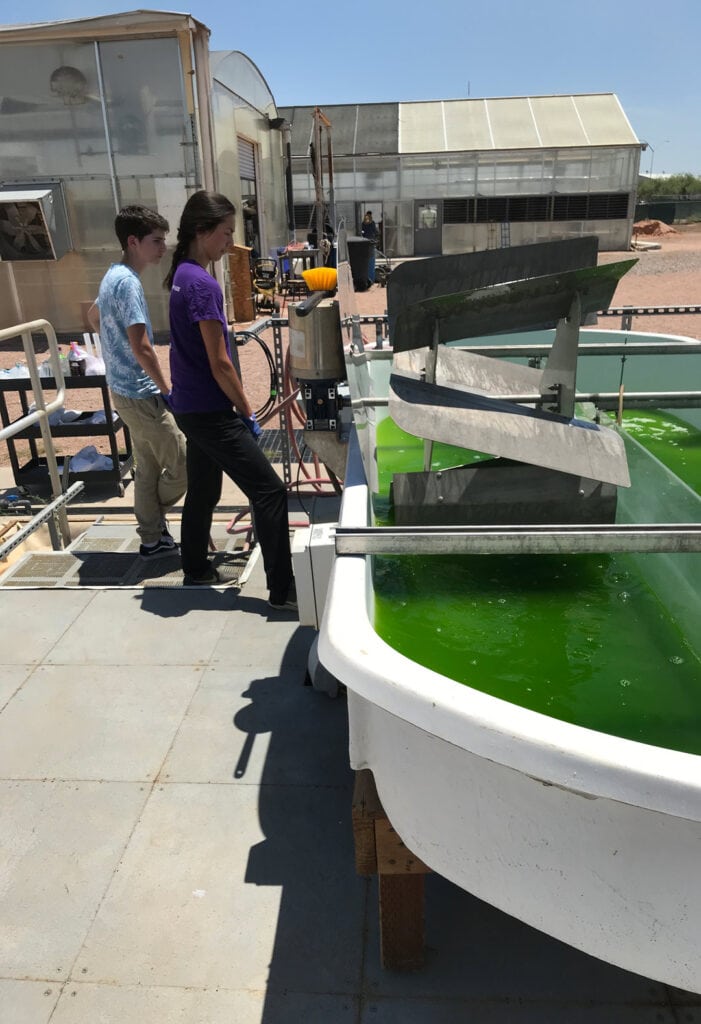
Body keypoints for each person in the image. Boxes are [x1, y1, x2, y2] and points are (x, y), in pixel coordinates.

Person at [164, 190, 296, 608]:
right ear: (203, 232)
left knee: (204, 489)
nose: (229, 242)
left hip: (189, 405)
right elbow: (220, 363)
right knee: (270, 491)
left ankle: (196, 568)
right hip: (208, 408)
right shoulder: (202, 285)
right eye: (225, 233)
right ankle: (283, 591)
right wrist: (246, 409)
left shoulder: (182, 275)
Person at [90, 205, 186, 556]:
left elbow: (92, 316)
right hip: (141, 393)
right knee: (182, 462)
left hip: (122, 390)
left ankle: (151, 537)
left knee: (147, 465)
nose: (163, 248)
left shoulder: (112, 276)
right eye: (156, 241)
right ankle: (152, 520)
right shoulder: (127, 283)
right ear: (133, 242)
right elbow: (143, 346)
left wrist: (113, 350)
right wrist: (167, 389)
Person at [361, 210, 378, 285]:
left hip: (365, 242)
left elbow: (362, 231)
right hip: (371, 242)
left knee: (366, 261)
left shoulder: (363, 223)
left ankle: (367, 278)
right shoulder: (372, 222)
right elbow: (375, 231)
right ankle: (371, 279)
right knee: (371, 260)